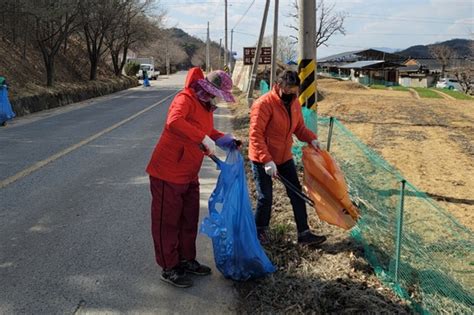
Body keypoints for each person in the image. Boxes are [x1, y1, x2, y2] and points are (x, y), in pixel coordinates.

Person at [146, 67, 236, 288]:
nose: (219, 99)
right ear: (208, 88)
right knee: (167, 221)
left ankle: (186, 259)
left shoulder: (206, 107)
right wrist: (202, 137)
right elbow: (174, 122)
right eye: (218, 94)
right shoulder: (185, 99)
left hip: (189, 172)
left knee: (188, 219)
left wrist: (227, 140)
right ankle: (169, 267)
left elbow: (207, 133)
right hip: (168, 171)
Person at [248, 70, 327, 246]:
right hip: (263, 159)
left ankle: (304, 234)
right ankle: (259, 234)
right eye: (288, 91)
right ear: (278, 86)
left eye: (294, 92)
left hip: (284, 157)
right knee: (265, 197)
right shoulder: (264, 104)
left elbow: (298, 128)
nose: (291, 95)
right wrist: (266, 160)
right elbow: (255, 135)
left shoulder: (294, 104)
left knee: (296, 194)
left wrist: (311, 138)